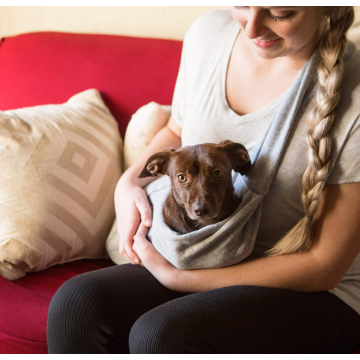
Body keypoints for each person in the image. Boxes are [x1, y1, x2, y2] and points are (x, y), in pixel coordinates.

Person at [47, 7, 360, 353]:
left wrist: (180, 279)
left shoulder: (354, 88)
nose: (252, 26)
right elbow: (176, 131)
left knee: (163, 336)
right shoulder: (208, 35)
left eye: (281, 12)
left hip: (319, 290)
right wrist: (129, 183)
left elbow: (323, 266)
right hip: (208, 252)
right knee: (76, 304)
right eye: (242, 4)